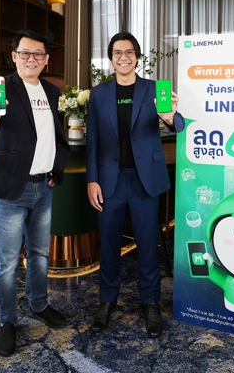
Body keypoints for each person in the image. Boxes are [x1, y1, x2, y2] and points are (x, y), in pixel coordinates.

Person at [0, 29, 71, 357]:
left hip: (44, 187)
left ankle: (39, 304)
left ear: (46, 59)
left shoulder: (52, 90)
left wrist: (55, 169)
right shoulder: (2, 88)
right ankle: (7, 321)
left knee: (40, 254)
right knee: (8, 262)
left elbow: (52, 135)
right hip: (11, 190)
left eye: (38, 54)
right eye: (25, 53)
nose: (32, 59)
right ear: (14, 56)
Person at [86, 31, 185, 337]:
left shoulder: (154, 89)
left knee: (147, 243)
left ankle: (151, 302)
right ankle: (107, 300)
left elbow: (179, 125)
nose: (124, 57)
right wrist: (92, 180)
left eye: (129, 52)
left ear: (138, 57)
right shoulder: (99, 94)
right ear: (111, 58)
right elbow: (92, 141)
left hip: (145, 181)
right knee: (109, 245)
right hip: (110, 181)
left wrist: (169, 116)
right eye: (117, 53)